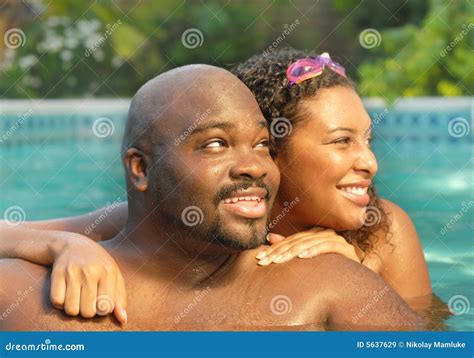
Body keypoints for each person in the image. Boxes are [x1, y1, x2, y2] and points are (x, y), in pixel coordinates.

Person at [0, 64, 422, 331]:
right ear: (140, 169)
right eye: (216, 144)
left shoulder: (336, 281)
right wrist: (63, 244)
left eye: (260, 145)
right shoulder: (22, 294)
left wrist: (359, 272)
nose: (254, 166)